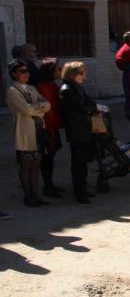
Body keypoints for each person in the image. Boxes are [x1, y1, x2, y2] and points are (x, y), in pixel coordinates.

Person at [7, 59, 51, 206]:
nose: (26, 74)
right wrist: (39, 108)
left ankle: (36, 194)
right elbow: (25, 109)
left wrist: (37, 107)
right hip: (25, 132)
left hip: (38, 130)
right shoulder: (12, 91)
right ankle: (28, 195)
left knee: (36, 164)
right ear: (14, 74)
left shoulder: (31, 88)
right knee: (26, 165)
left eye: (27, 71)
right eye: (22, 71)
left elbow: (47, 105)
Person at [59, 61, 98, 204]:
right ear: (73, 74)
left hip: (84, 129)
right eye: (82, 72)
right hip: (77, 130)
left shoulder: (77, 88)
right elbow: (80, 109)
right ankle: (79, 193)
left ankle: (83, 189)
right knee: (78, 163)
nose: (85, 74)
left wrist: (90, 109)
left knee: (83, 162)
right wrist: (89, 110)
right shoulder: (67, 89)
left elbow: (90, 104)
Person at [35, 58, 65, 198]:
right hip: (48, 128)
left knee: (50, 157)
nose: (61, 71)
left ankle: (50, 184)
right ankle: (47, 186)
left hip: (52, 127)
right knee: (47, 158)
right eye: (58, 69)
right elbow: (48, 112)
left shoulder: (51, 84)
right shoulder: (43, 87)